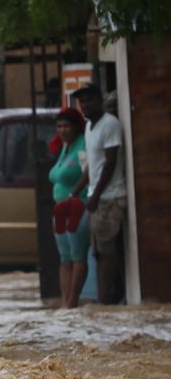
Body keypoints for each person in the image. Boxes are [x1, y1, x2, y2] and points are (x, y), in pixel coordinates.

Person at [74, 84, 127, 305]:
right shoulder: (89, 127)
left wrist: (96, 195)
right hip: (96, 197)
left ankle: (106, 301)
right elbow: (92, 164)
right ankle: (109, 297)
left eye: (89, 100)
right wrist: (79, 188)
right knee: (99, 252)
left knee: (106, 252)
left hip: (110, 198)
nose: (85, 105)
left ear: (99, 100)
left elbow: (110, 163)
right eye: (82, 102)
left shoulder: (110, 125)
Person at [48, 108, 89, 309]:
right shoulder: (65, 148)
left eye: (66, 126)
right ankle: (66, 303)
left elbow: (89, 171)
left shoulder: (82, 144)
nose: (62, 130)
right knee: (65, 259)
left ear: (75, 127)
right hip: (60, 209)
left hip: (77, 207)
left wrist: (75, 194)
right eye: (59, 126)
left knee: (77, 256)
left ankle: (73, 301)